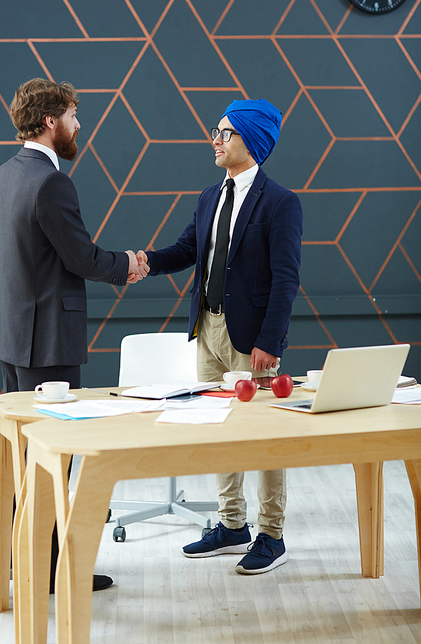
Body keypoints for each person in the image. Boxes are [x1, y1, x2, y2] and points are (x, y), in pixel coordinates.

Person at [0, 77, 149, 592]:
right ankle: (52, 572)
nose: (81, 125)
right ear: (51, 121)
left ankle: (23, 561)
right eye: (75, 116)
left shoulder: (3, 175)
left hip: (12, 337)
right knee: (54, 457)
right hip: (48, 340)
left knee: (22, 458)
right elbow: (79, 255)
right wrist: (128, 264)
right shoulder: (52, 182)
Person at [136, 98, 303, 575]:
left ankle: (272, 534)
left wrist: (270, 342)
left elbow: (286, 278)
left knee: (265, 433)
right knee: (219, 425)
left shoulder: (280, 203)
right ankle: (232, 524)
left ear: (250, 140)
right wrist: (143, 262)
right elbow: (188, 249)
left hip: (251, 337)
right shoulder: (209, 196)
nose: (215, 138)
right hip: (207, 327)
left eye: (225, 132)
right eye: (217, 130)